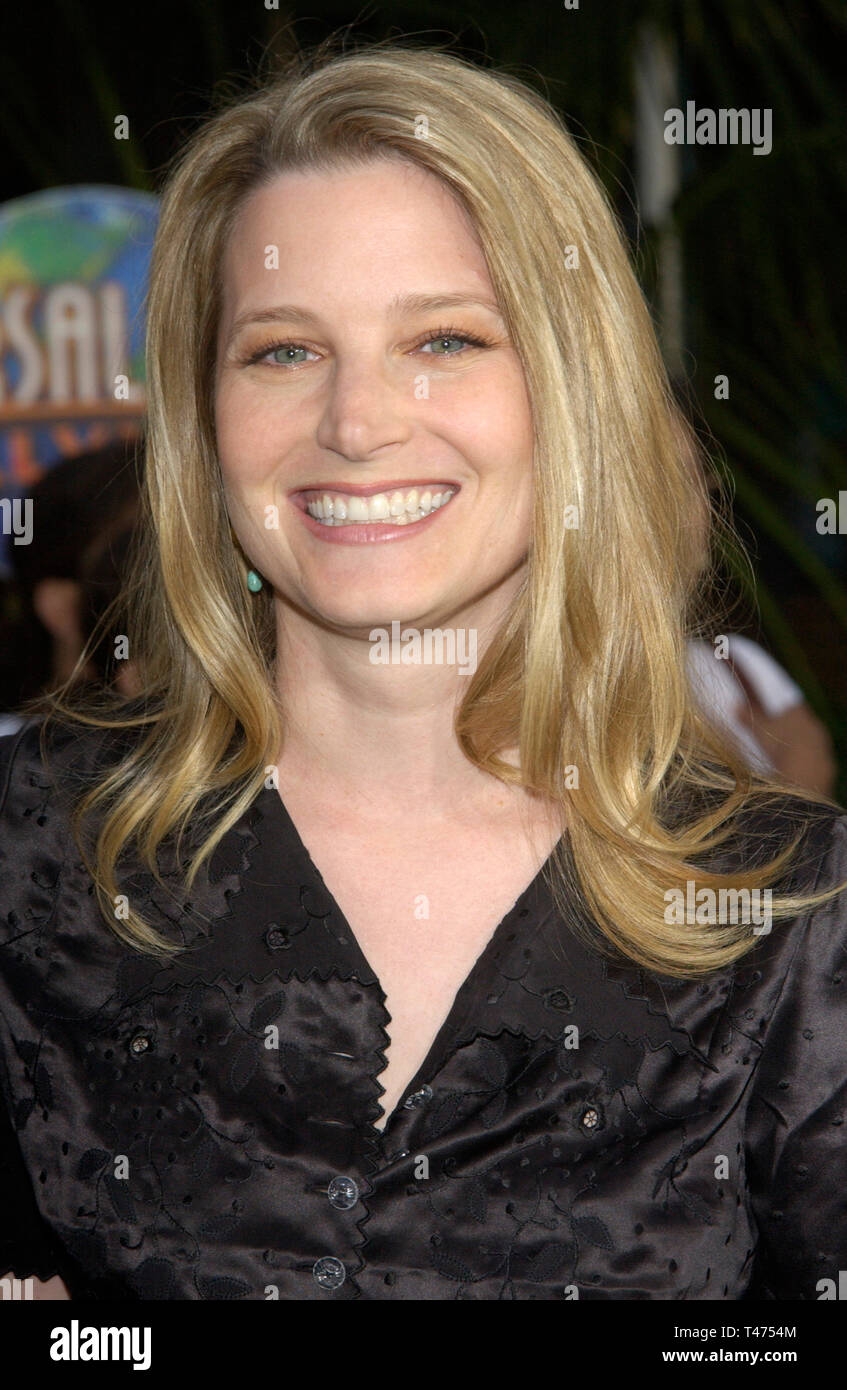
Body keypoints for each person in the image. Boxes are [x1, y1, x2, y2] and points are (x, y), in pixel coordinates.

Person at [1, 40, 846, 1303]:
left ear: (576, 393)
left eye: (445, 339)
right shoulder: (33, 849)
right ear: (201, 416)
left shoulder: (787, 910)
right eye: (282, 350)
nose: (357, 422)